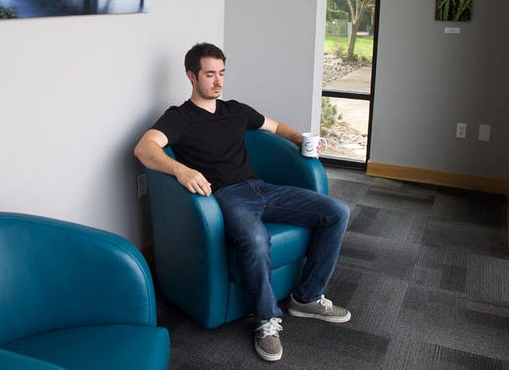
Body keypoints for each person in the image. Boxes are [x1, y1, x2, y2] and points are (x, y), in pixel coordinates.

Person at [133, 42, 351, 362]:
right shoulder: (179, 118)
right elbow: (144, 148)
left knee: (337, 211)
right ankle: (265, 320)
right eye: (210, 75)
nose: (218, 81)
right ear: (191, 76)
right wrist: (181, 169)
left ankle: (306, 297)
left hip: (261, 188)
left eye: (222, 73)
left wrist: (302, 140)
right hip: (227, 198)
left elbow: (275, 127)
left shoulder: (235, 110)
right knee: (255, 238)